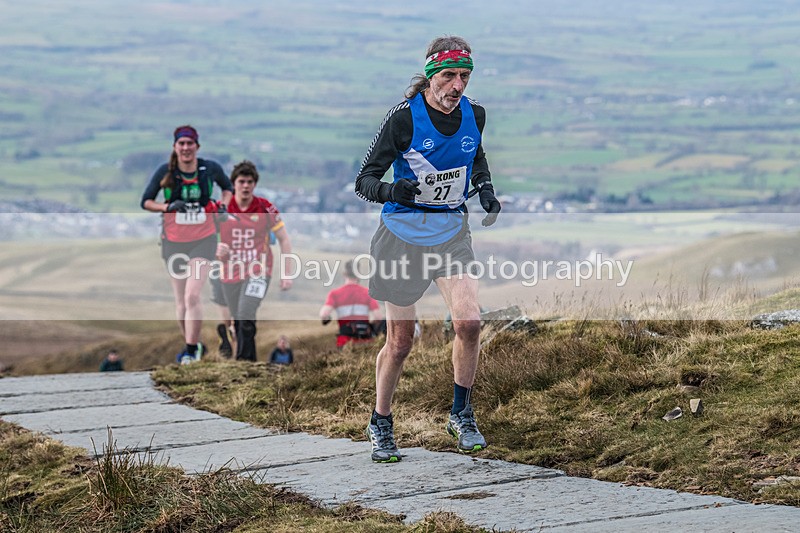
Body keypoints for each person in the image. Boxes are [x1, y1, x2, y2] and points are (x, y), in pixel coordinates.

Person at [354, 35, 501, 463]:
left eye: (465, 76)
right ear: (432, 75)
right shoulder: (403, 118)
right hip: (400, 239)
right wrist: (392, 189)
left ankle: (461, 413)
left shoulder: (475, 113)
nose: (458, 86)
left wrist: (486, 190)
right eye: (450, 76)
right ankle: (381, 421)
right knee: (400, 342)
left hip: (451, 233)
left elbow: (475, 156)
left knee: (469, 321)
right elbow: (363, 180)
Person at [141, 125, 233, 365]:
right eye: (181, 144)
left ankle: (191, 351)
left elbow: (228, 188)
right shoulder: (165, 172)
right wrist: (167, 207)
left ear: (197, 146)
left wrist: (223, 205)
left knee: (193, 296)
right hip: (173, 241)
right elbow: (146, 201)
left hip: (204, 239)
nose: (185, 148)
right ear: (175, 147)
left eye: (189, 143)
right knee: (181, 302)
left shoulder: (209, 168)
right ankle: (193, 344)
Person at [215, 160, 293, 362]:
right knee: (238, 321)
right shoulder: (221, 209)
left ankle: (243, 364)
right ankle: (246, 361)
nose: (246, 186)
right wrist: (215, 249)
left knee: (245, 314)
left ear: (255, 184)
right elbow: (204, 239)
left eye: (250, 182)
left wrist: (286, 274)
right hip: (230, 273)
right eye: (241, 181)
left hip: (259, 271)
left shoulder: (265, 207)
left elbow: (284, 240)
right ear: (234, 184)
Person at [319, 260, 384, 349]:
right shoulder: (367, 293)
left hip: (344, 342)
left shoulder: (335, 294)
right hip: (365, 341)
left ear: (344, 274)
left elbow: (324, 314)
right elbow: (378, 317)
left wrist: (326, 319)